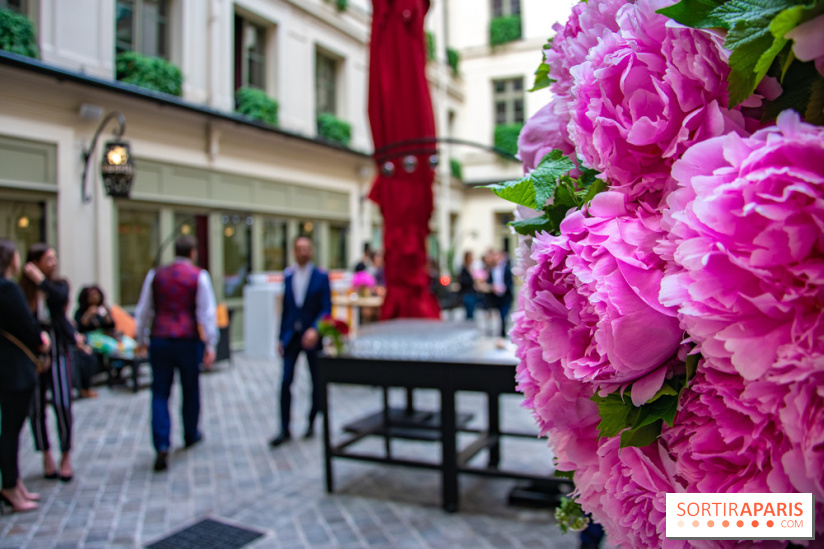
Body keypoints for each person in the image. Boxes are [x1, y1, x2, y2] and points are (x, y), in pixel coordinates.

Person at [134, 235, 218, 472]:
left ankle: (162, 443)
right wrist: (210, 344)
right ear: (193, 253)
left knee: (160, 392)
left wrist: (140, 338)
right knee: (190, 388)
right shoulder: (199, 276)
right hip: (187, 339)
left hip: (160, 338)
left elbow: (144, 310)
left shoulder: (155, 275)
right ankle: (190, 433)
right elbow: (206, 313)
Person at [21, 243, 78, 482]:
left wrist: (41, 281)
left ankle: (65, 455)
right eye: (48, 259)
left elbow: (60, 299)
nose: (54, 263)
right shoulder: (23, 292)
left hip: (58, 350)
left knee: (63, 403)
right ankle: (46, 454)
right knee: (36, 409)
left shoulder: (59, 285)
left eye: (55, 258)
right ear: (35, 263)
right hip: (34, 355)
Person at [0, 239, 49, 514]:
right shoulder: (7, 288)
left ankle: (14, 483)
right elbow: (26, 324)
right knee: (11, 430)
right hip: (16, 368)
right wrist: (41, 340)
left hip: (7, 365)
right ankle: (10, 486)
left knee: (9, 429)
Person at [270, 236, 331, 447]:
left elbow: (326, 308)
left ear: (311, 251)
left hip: (312, 337)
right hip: (292, 337)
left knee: (316, 381)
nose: (303, 252)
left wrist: (316, 329)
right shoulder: (288, 276)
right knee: (285, 381)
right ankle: (284, 428)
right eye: (299, 248)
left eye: (306, 248)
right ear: (294, 251)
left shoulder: (321, 277)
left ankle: (312, 421)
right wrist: (280, 337)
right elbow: (286, 310)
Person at [73, 285, 115, 398]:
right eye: (91, 296)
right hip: (89, 340)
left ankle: (116, 375)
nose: (94, 298)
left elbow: (111, 325)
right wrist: (88, 314)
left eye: (96, 295)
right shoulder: (81, 311)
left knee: (121, 348)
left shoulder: (103, 309)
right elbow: (79, 327)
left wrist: (106, 316)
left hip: (105, 339)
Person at [488, 250, 513, 338]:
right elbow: (489, 281)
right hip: (495, 295)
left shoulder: (506, 268)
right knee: (497, 314)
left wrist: (504, 288)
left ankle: (503, 331)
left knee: (504, 313)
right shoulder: (491, 269)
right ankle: (499, 331)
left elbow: (509, 281)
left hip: (505, 295)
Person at [458, 251, 477, 320]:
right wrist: (472, 280)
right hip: (467, 293)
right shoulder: (464, 269)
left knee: (472, 312)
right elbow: (462, 281)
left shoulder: (472, 268)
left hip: (473, 292)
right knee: (469, 313)